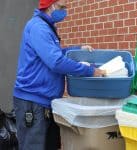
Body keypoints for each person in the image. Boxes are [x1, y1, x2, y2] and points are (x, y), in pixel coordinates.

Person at [13, 0, 106, 150]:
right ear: (51, 6)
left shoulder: (47, 28)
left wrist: (77, 49)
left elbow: (55, 54)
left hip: (45, 102)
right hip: (33, 102)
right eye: (62, 7)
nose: (65, 12)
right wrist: (90, 71)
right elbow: (56, 62)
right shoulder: (39, 28)